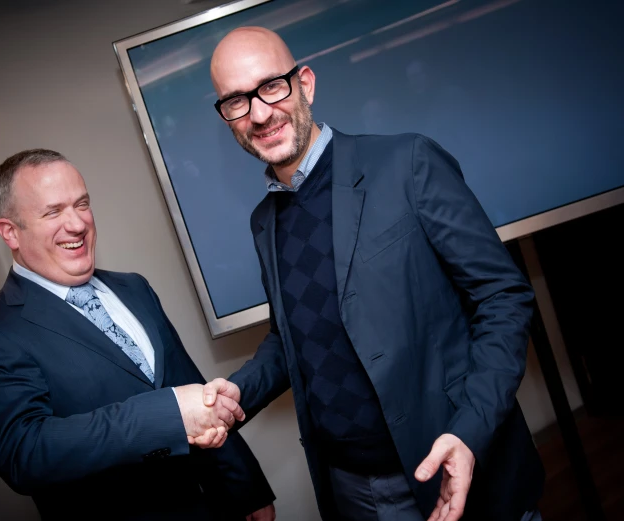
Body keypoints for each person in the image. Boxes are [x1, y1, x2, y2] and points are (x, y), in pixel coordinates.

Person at [202, 27, 544, 521]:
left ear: (305, 83)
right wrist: (241, 390)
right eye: (236, 101)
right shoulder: (265, 223)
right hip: (352, 492)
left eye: (271, 86)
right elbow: (292, 339)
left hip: (457, 462)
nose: (258, 113)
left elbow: (504, 298)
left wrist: (470, 432)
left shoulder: (407, 163)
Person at [0, 149, 276, 521]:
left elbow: (192, 392)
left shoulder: (134, 288)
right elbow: (25, 454)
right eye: (53, 212)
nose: (76, 224)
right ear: (11, 232)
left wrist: (244, 489)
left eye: (81, 204)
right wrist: (167, 415)